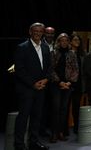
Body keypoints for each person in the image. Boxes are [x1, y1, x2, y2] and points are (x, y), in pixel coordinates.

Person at [14, 22, 51, 150]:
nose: (37, 33)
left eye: (40, 31)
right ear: (30, 32)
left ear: (43, 33)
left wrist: (45, 80)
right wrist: (33, 83)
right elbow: (19, 70)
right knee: (23, 117)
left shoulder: (46, 47)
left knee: (37, 116)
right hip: (26, 89)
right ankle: (19, 145)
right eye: (35, 31)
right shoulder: (22, 47)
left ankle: (33, 142)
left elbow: (49, 67)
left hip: (41, 88)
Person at [48, 33, 79, 143]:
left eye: (66, 40)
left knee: (64, 110)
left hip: (68, 85)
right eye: (62, 40)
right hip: (56, 85)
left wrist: (69, 83)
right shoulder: (53, 53)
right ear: (58, 42)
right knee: (55, 109)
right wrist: (60, 82)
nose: (64, 42)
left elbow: (76, 69)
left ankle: (61, 132)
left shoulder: (72, 53)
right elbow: (50, 70)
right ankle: (54, 133)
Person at [68, 32, 86, 134]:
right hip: (68, 83)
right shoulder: (67, 53)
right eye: (75, 40)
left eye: (78, 40)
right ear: (70, 41)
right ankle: (63, 130)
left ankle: (76, 127)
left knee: (76, 106)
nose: (77, 42)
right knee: (65, 107)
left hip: (79, 84)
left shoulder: (82, 54)